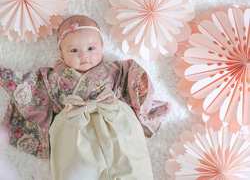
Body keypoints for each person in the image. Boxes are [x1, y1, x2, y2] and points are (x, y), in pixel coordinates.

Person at [0, 15, 171, 180]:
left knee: (132, 161)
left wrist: (140, 87)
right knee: (76, 168)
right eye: (74, 50)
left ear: (102, 45)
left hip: (114, 121)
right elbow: (26, 88)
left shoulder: (115, 70)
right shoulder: (52, 79)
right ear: (61, 52)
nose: (84, 55)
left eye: (91, 48)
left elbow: (132, 79)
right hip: (75, 127)